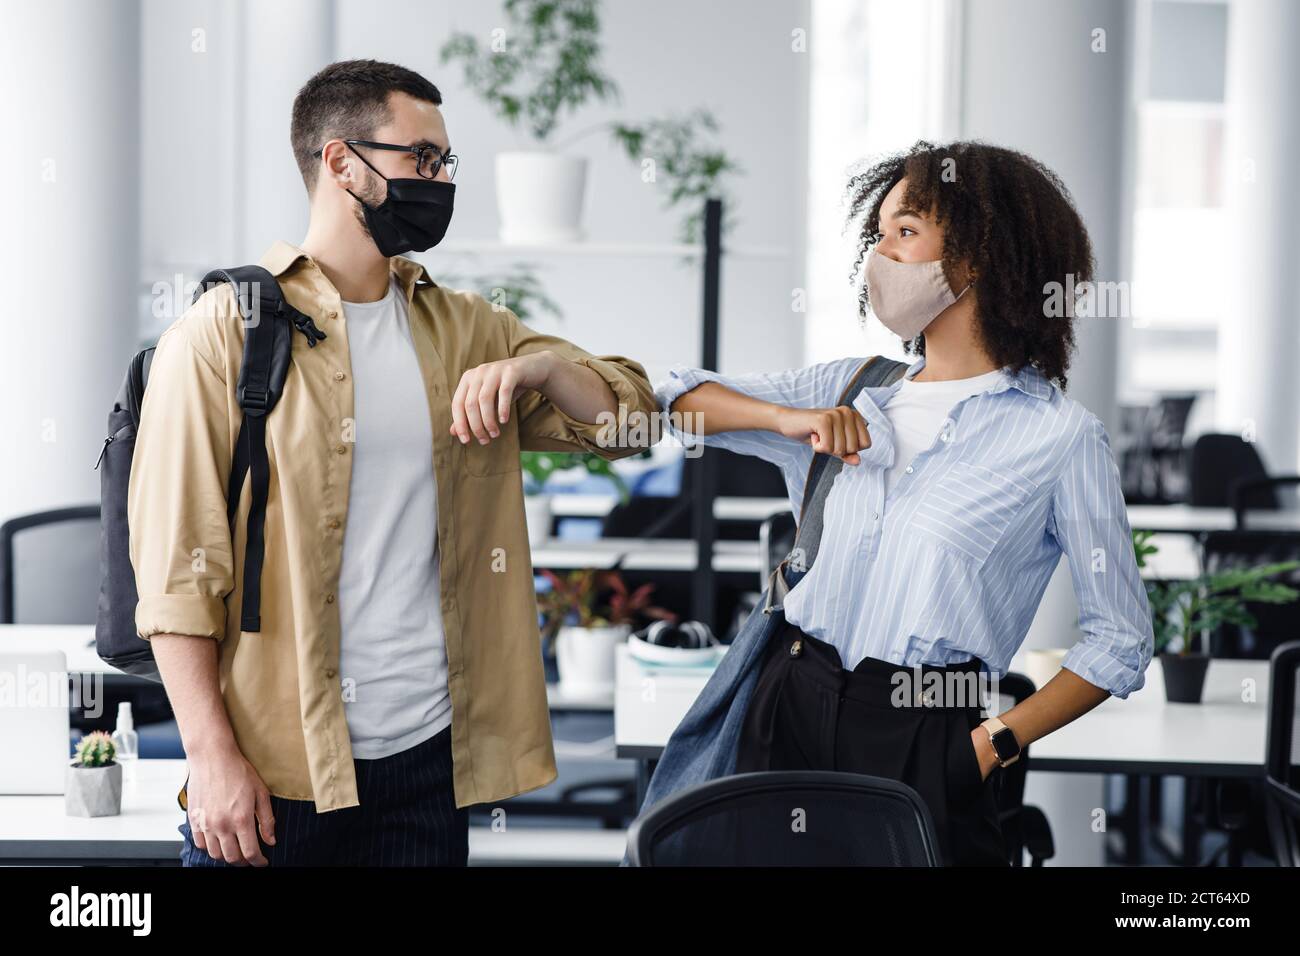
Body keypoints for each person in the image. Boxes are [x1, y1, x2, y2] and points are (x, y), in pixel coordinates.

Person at [129, 59, 658, 866]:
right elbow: (175, 582)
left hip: (426, 767)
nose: (440, 181)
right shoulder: (220, 334)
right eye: (422, 158)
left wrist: (542, 368)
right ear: (342, 162)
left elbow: (631, 423)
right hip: (277, 772)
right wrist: (210, 758)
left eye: (446, 163)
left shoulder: (468, 328)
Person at [653, 140, 1154, 866]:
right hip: (788, 698)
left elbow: (1122, 638)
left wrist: (990, 745)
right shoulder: (853, 386)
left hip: (926, 729)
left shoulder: (1060, 438)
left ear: (979, 255)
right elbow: (676, 399)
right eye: (878, 233)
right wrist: (788, 420)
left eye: (905, 231)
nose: (879, 254)